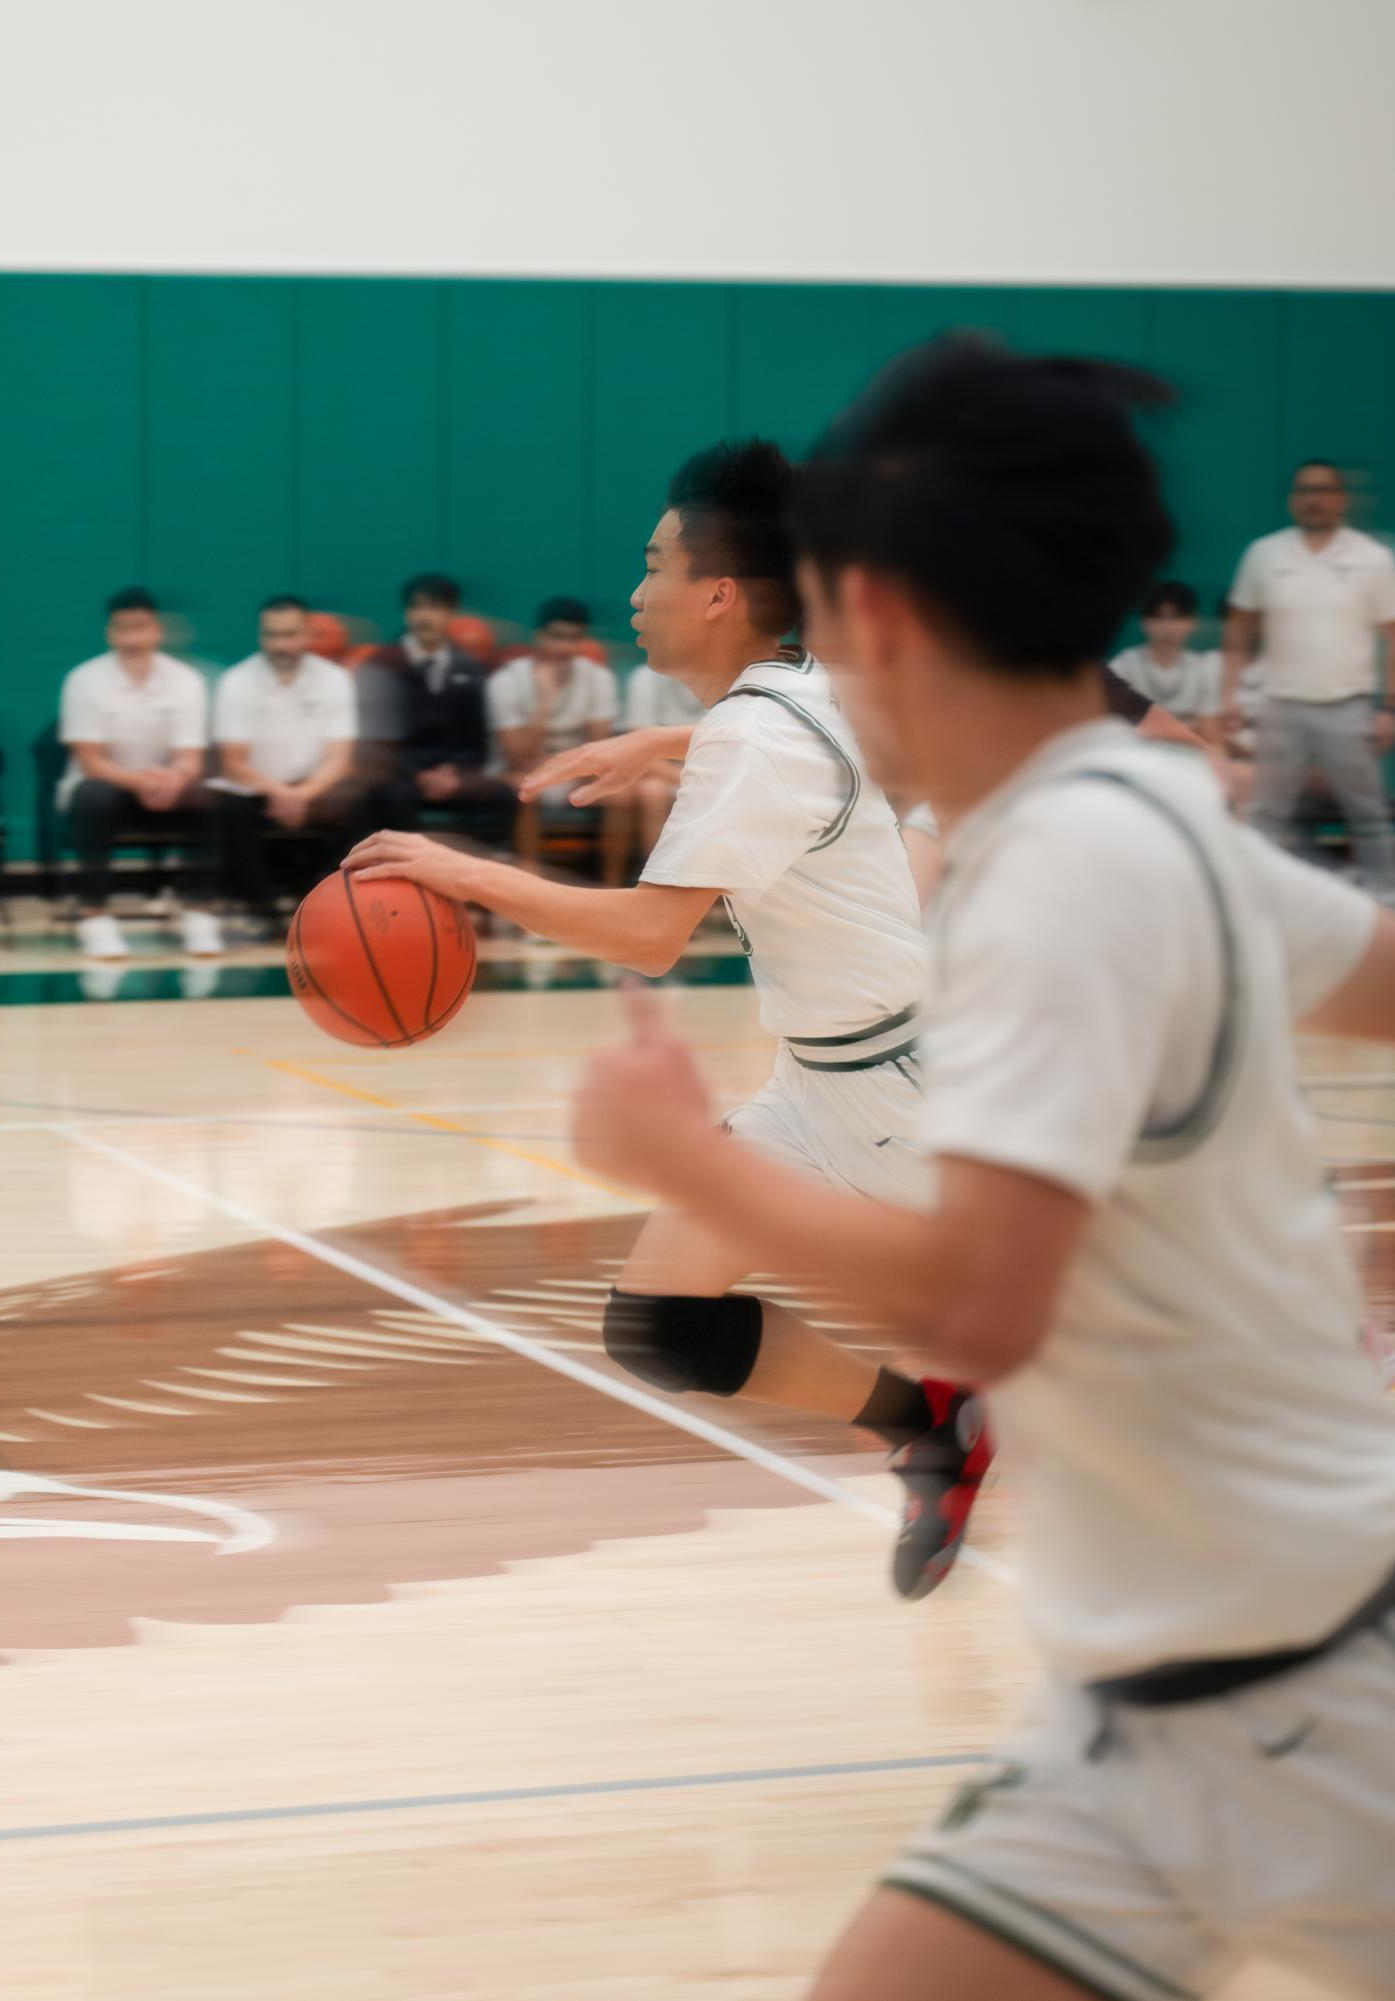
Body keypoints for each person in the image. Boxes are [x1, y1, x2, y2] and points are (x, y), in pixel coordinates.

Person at [571, 337, 1395, 2001]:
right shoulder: (1117, 813)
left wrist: (677, 1150)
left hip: (1356, 1687)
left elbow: (981, 1297)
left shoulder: (1063, 872)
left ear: (885, 624)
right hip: (1139, 1716)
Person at [349, 440, 987, 1601]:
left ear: (718, 593)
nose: (634, 593)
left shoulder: (761, 729)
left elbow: (650, 936)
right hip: (825, 1080)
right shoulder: (795, 694)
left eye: (652, 566)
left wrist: (466, 875)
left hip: (905, 1092)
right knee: (662, 1323)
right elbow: (797, 749)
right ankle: (935, 1425)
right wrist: (656, 738)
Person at [1225, 460, 1395, 902]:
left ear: (1341, 499)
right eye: (1305, 489)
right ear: (1293, 499)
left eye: (1325, 489)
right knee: (1267, 813)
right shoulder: (1264, 554)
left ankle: (1388, 900)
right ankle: (1255, 899)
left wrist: (1391, 707)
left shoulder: (1373, 559)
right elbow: (1239, 628)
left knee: (1367, 812)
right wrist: (1228, 695)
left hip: (1348, 706)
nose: (1315, 498)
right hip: (1280, 705)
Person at [58, 588, 222, 961]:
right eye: (123, 629)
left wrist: (174, 780)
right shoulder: (83, 680)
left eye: (141, 627)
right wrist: (142, 782)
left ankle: (199, 913)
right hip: (106, 787)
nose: (132, 638)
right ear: (109, 634)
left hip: (165, 787)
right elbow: (90, 760)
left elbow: (191, 758)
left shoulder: (186, 681)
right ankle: (94, 916)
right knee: (93, 796)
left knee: (208, 797)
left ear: (156, 631)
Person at [212, 595, 368, 933]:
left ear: (307, 635)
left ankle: (318, 903)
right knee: (224, 807)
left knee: (370, 801)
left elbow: (339, 759)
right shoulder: (236, 681)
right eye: (272, 635)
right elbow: (233, 763)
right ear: (261, 636)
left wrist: (303, 793)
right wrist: (280, 792)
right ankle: (262, 910)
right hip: (255, 788)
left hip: (316, 788)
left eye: (290, 634)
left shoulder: (334, 680)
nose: (281, 644)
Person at [358, 574, 518, 853]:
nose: (424, 617)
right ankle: (401, 875)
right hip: (400, 775)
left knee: (504, 796)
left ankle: (486, 873)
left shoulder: (468, 668)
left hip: (452, 774)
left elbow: (476, 742)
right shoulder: (383, 664)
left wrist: (453, 773)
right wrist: (418, 774)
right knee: (393, 797)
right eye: (417, 608)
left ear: (450, 613)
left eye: (434, 608)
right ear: (407, 612)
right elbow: (376, 743)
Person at [484, 597, 619, 873]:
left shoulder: (598, 678)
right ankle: (531, 881)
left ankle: (613, 885)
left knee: (623, 797)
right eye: (556, 637)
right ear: (539, 636)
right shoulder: (506, 680)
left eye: (574, 638)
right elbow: (516, 755)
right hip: (523, 770)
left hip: (577, 768)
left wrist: (564, 767)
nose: (564, 647)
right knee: (525, 789)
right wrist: (544, 701)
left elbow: (601, 744)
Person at [598, 663, 706, 885]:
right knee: (650, 792)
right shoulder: (645, 678)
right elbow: (639, 749)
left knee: (654, 791)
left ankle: (706, 887)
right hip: (663, 770)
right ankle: (656, 882)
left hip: (708, 767)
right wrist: (693, 779)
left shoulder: (731, 676)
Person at [1107, 580, 1222, 740]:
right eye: (1158, 617)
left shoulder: (1203, 669)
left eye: (1177, 617)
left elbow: (1210, 731)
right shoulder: (1123, 666)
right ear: (1144, 622)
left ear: (1192, 622)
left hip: (1188, 756)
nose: (1167, 627)